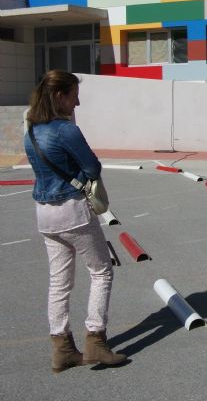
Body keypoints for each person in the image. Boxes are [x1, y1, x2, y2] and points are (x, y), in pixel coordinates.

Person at [23, 70, 127, 373]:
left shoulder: (31, 130)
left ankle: (62, 349)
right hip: (72, 209)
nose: (77, 102)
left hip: (44, 212)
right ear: (60, 96)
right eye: (73, 95)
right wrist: (84, 177)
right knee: (101, 272)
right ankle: (96, 340)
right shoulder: (65, 130)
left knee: (59, 281)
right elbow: (92, 166)